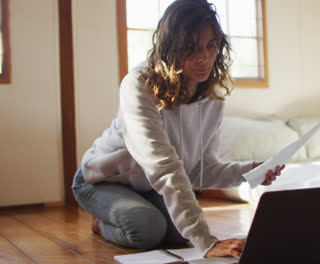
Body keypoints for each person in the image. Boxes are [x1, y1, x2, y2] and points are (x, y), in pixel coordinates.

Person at [72, 0, 284, 258]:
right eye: (192, 48)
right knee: (147, 229)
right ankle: (101, 223)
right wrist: (206, 243)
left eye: (211, 46)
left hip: (147, 186)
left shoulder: (212, 97)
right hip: (101, 181)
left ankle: (133, 215)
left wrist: (249, 171)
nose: (204, 58)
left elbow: (200, 170)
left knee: (177, 234)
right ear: (171, 47)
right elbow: (164, 167)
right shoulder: (138, 85)